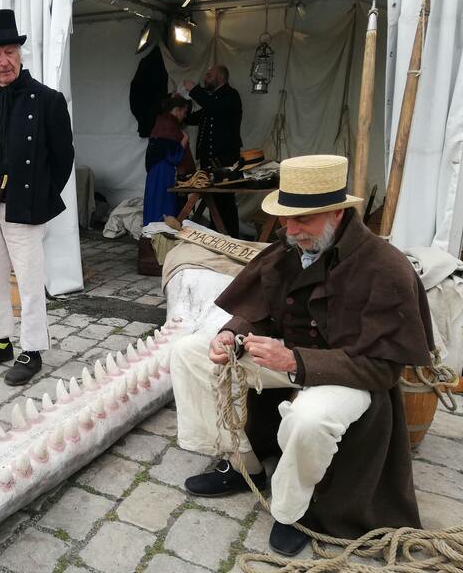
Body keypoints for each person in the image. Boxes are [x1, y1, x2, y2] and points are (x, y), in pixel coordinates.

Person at [169, 155, 434, 556]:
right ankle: (245, 465)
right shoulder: (292, 249)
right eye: (286, 219)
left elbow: (383, 370)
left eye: (302, 220)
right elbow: (259, 311)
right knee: (189, 352)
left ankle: (294, 510)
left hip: (350, 376)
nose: (290, 231)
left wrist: (295, 361)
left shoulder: (387, 269)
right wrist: (231, 334)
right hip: (287, 361)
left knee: (309, 419)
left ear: (337, 212)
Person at [0, 9, 74, 386]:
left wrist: (40, 197)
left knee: (29, 280)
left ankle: (31, 348)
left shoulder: (47, 100)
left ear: (20, 54)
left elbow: (63, 158)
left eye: (9, 51)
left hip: (23, 205)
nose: (3, 61)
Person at [183, 65, 243, 237]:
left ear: (221, 77)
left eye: (209, 75)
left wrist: (194, 90)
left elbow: (215, 108)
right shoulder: (213, 100)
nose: (205, 78)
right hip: (209, 158)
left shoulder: (230, 95)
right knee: (213, 200)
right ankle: (217, 234)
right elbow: (197, 117)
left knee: (225, 199)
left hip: (224, 156)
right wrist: (181, 108)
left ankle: (229, 236)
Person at [142, 94, 196, 226]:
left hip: (157, 171)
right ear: (177, 110)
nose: (185, 116)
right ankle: (160, 238)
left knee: (155, 204)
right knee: (163, 207)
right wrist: (184, 139)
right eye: (184, 112)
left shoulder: (163, 122)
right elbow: (173, 156)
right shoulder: (169, 125)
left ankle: (153, 235)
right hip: (163, 173)